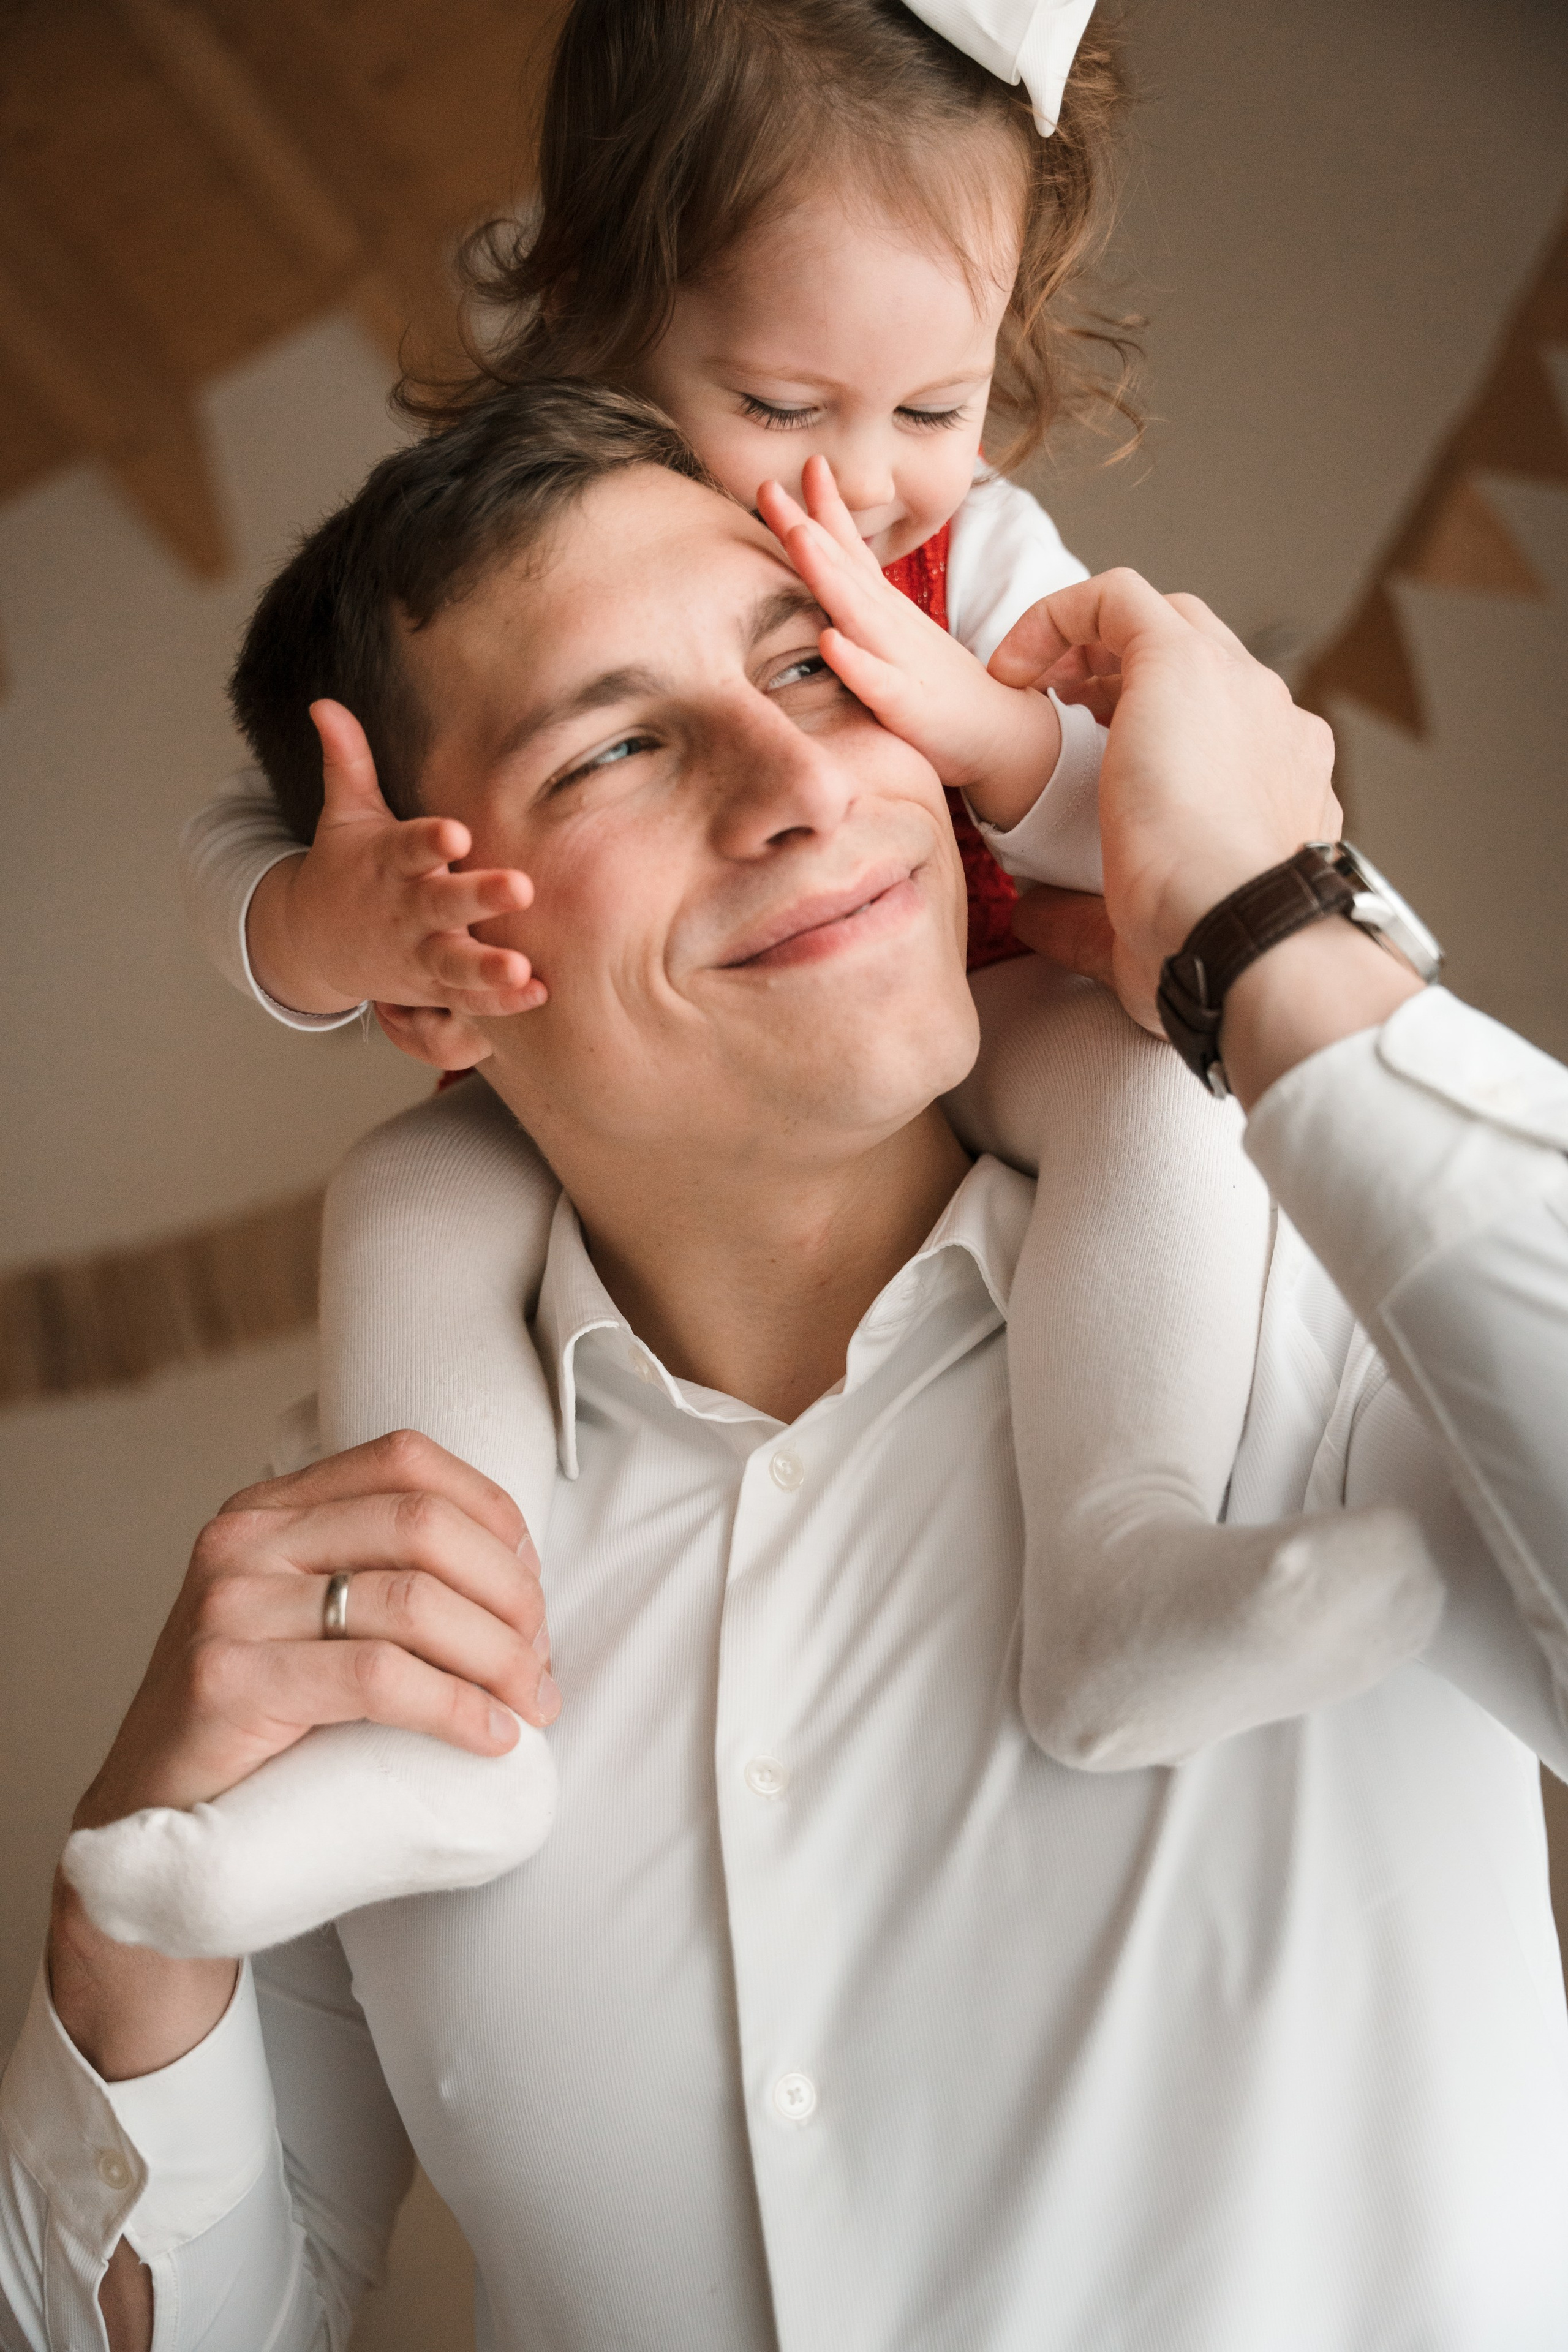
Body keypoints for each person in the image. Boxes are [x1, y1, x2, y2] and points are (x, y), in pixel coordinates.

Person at [5, 386, 1567, 2352]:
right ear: (428, 977)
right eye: (621, 748)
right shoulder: (372, 1596)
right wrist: (110, 1948)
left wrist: (1268, 931)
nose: (800, 781)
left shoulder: (1332, 1290)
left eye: (817, 666)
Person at [135, 0, 1429, 1961]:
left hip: (1000, 1003)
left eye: (935, 405)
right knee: (404, 1194)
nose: (874, 478)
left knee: (1149, 1089)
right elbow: (253, 862)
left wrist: (989, 743)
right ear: (601, 322)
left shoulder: (981, 550)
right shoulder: (508, 549)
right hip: (615, 1074)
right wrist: (350, 925)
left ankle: (1120, 1554)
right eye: (787, 406)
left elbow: (1147, 811)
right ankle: (450, 1723)